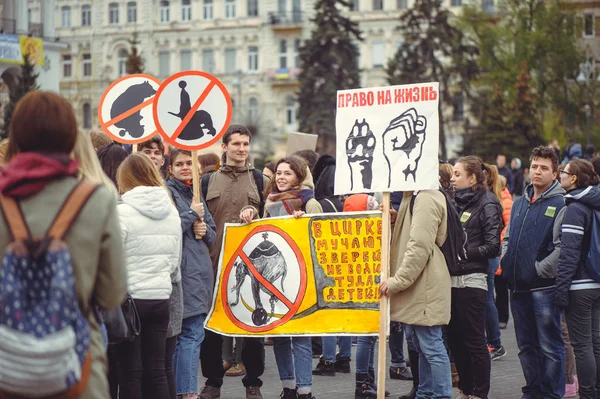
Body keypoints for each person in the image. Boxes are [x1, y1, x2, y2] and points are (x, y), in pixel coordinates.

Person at [0, 90, 127, 399]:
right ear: (71, 135)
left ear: (16, 135)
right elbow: (113, 294)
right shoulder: (97, 199)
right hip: (76, 365)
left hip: (7, 366)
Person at [200, 124, 269, 399]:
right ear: (224, 147)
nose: (242, 149)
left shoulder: (261, 180)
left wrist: (257, 212)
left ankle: (253, 382)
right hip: (214, 264)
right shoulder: (207, 181)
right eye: (236, 144)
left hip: (252, 267)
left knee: (252, 325)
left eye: (245, 144)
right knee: (212, 327)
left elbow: (271, 220)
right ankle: (213, 382)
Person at [115, 153, 182, 399]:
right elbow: (175, 264)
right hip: (160, 298)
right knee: (157, 370)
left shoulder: (121, 213)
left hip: (130, 301)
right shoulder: (172, 212)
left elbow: (113, 261)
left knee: (130, 372)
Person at [502, 146, 567, 399]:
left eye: (544, 168)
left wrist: (538, 269)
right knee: (526, 346)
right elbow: (507, 237)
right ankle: (532, 390)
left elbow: (563, 248)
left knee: (549, 346)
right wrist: (506, 259)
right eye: (535, 166)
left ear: (555, 173)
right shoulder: (519, 202)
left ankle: (550, 394)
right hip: (517, 287)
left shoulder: (561, 203)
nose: (537, 172)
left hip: (543, 289)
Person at [379, 187, 452, 399]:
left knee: (431, 344)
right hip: (419, 283)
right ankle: (426, 392)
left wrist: (398, 281)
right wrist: (394, 221)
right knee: (422, 345)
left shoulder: (426, 198)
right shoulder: (413, 196)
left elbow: (418, 246)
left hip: (424, 283)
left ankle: (440, 395)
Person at [264, 155, 322, 399]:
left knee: (300, 336)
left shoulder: (309, 203)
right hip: (276, 279)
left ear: (299, 176)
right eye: (278, 172)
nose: (281, 177)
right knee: (279, 336)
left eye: (287, 173)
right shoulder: (268, 203)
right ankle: (288, 387)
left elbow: (321, 239)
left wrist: (304, 224)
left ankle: (305, 390)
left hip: (303, 279)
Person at [448, 156, 502, 399]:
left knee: (474, 341)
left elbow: (493, 246)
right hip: (451, 281)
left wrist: (463, 254)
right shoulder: (454, 201)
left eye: (457, 174)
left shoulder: (488, 202)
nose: (452, 178)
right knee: (456, 342)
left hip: (473, 282)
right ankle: (465, 390)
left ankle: (480, 394)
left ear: (472, 178)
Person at [165, 149, 216, 399]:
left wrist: (204, 228)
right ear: (170, 169)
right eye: (179, 164)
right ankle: (187, 393)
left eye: (189, 163)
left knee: (189, 334)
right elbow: (170, 229)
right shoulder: (168, 193)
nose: (185, 167)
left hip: (200, 276)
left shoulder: (196, 195)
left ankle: (179, 391)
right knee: (190, 334)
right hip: (183, 276)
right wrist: (191, 215)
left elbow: (213, 236)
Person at [555, 159, 600, 399]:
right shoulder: (595, 203)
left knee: (582, 346)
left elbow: (569, 253)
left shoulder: (575, 208)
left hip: (580, 286)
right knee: (595, 344)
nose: (560, 175)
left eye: (563, 172)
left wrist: (561, 290)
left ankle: (589, 394)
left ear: (573, 179)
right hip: (597, 282)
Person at [483, 165, 507, 361]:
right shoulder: (493, 197)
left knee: (487, 299)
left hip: (490, 255)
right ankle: (492, 341)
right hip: (491, 254)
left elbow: (498, 229)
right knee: (486, 299)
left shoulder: (490, 200)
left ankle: (495, 343)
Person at [495, 175, 512, 329]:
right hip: (496, 248)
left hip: (500, 248)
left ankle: (503, 317)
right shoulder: (498, 200)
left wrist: (499, 242)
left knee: (500, 287)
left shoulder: (506, 202)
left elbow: (508, 226)